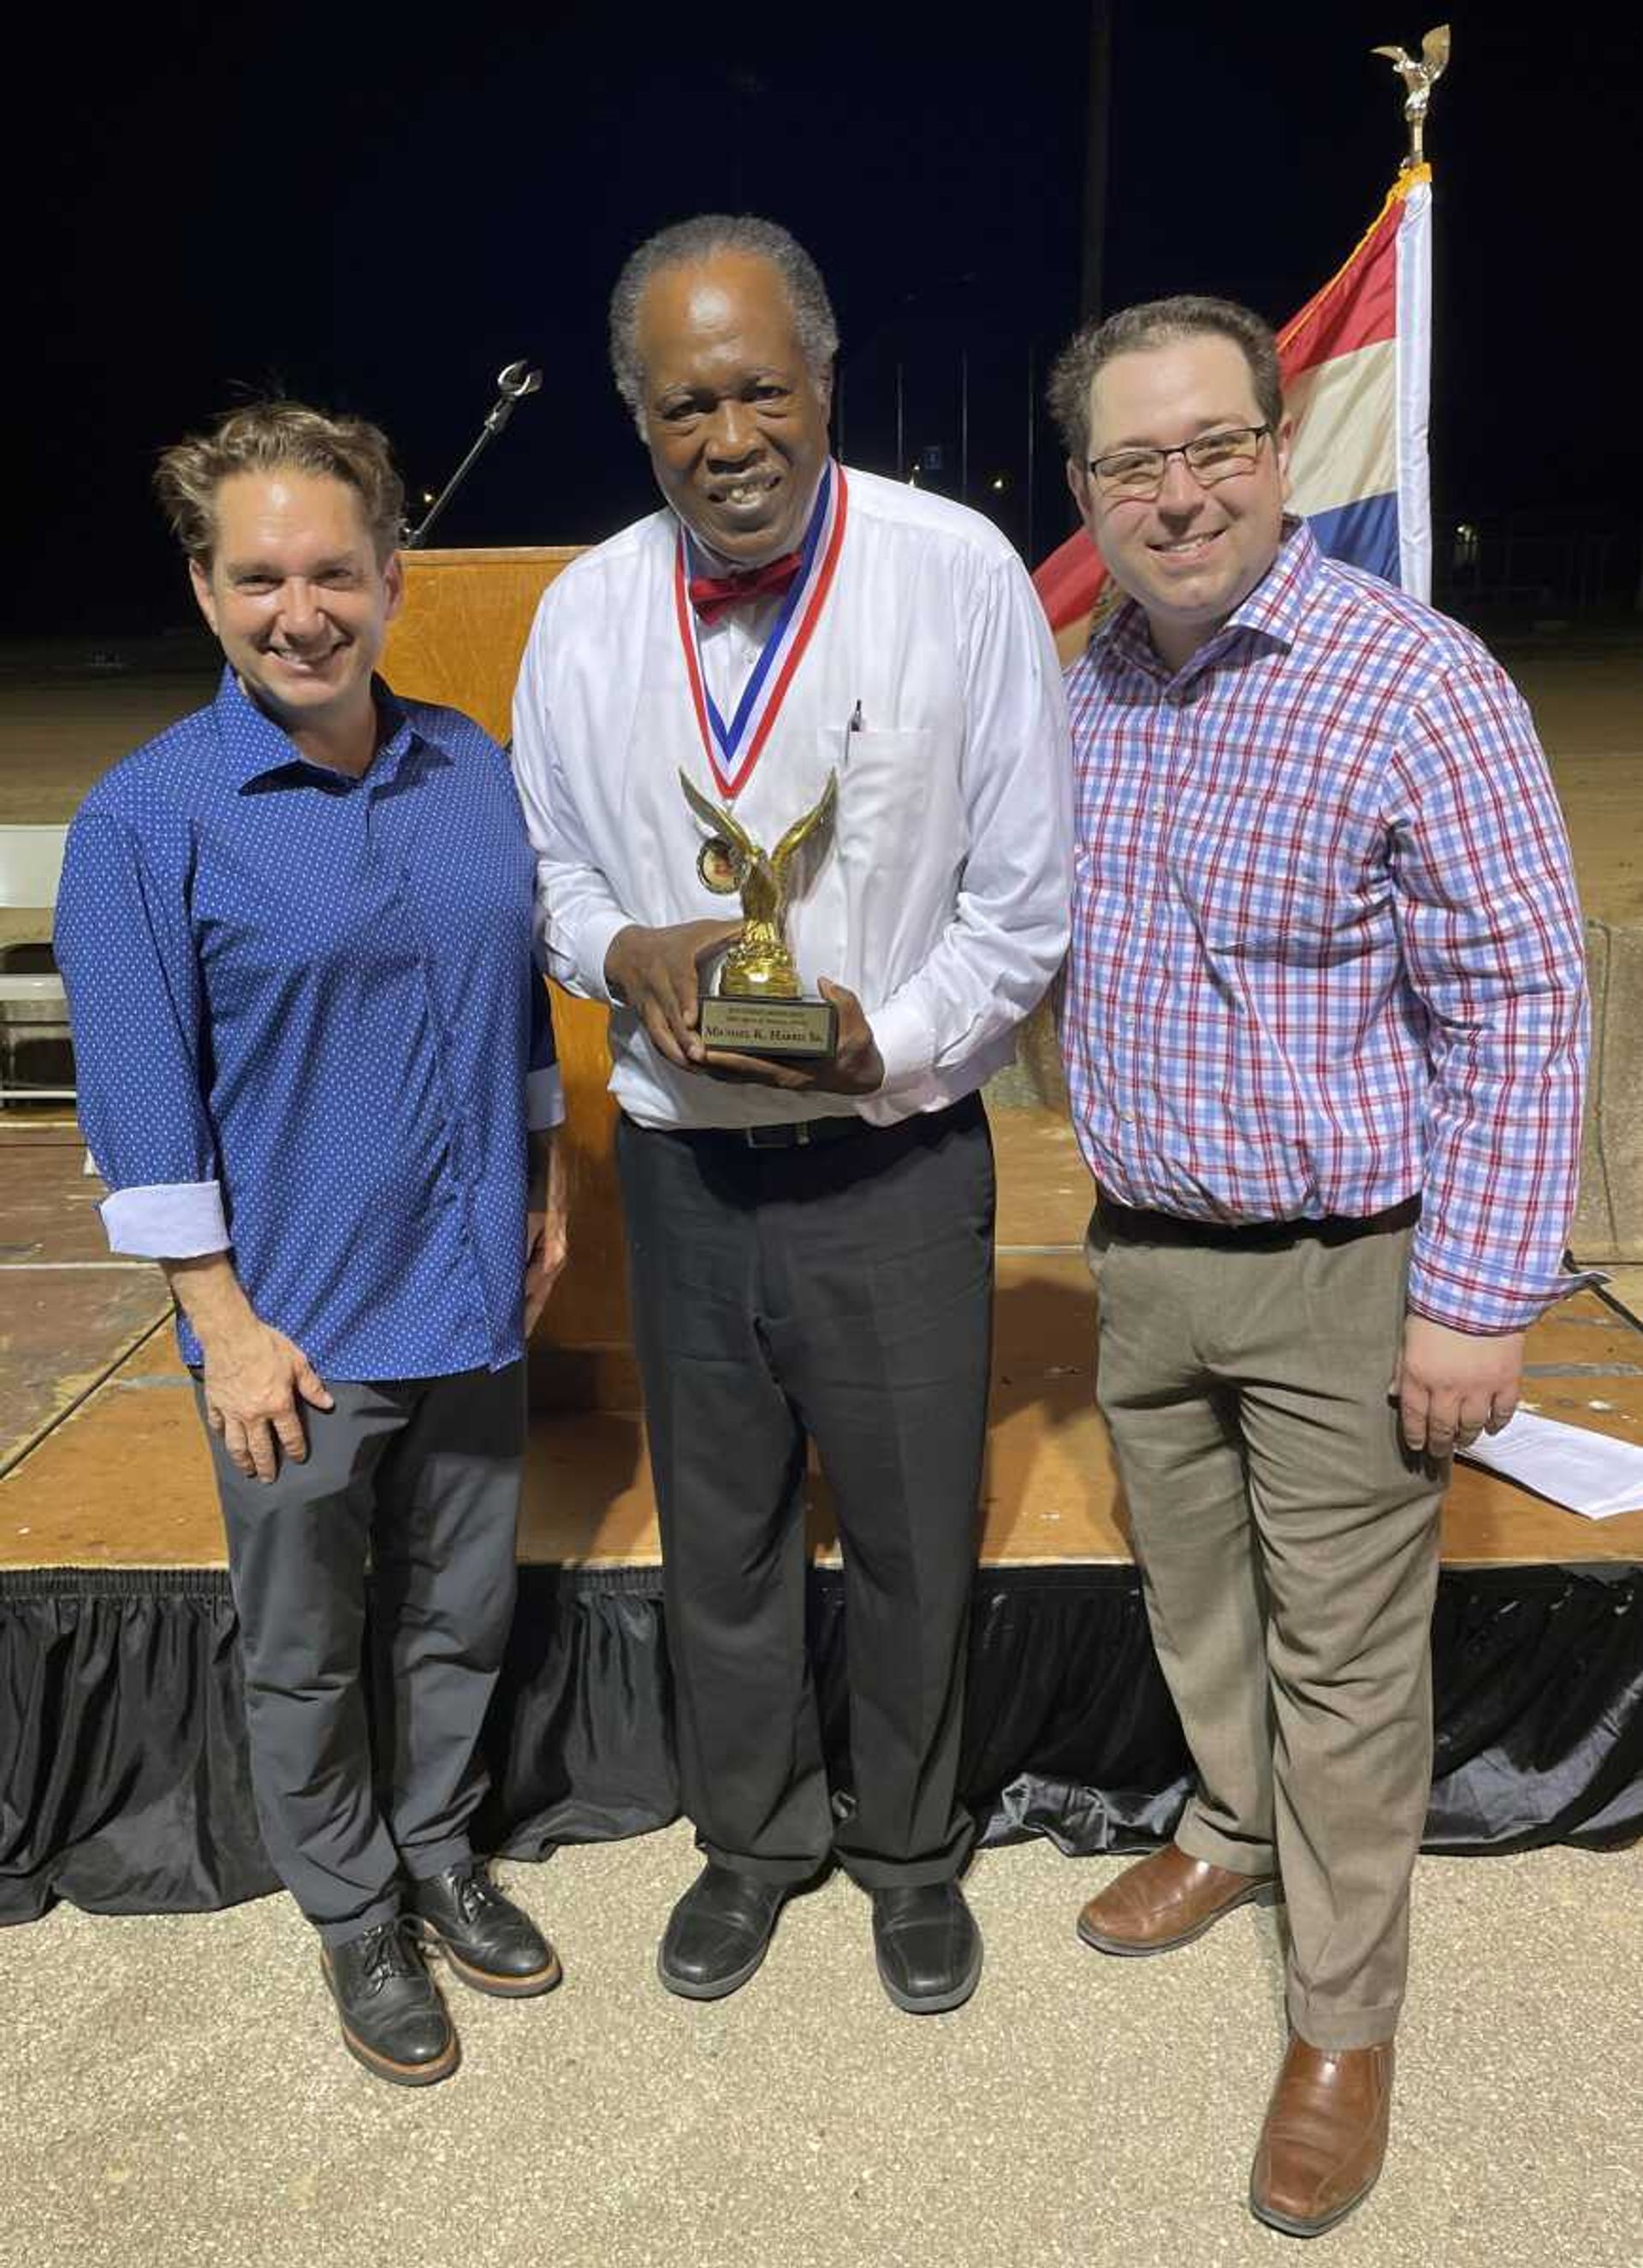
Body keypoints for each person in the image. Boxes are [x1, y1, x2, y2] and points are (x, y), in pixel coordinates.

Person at [1049, 295, 1588, 2235]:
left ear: (1281, 452)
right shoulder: (1084, 684)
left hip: (1352, 1270)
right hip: (1148, 1260)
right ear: (1087, 490)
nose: (1179, 492)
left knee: (1350, 1666)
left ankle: (1345, 2017)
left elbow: (1526, 1008)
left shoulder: (1415, 683)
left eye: (1214, 447)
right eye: (1135, 460)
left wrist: (1479, 1298)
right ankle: (1225, 1823)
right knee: (1198, 1601)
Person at [513, 215, 1071, 2014]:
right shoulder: (587, 608)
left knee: (913, 1533)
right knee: (724, 1530)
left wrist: (880, 1041)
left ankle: (911, 1851)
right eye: (688, 403)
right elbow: (546, 868)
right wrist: (627, 947)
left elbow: (1024, 903)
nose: (728, 436)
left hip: (896, 1161)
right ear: (639, 416)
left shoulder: (955, 569)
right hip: (679, 1170)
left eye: (761, 388)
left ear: (823, 383)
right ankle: (754, 1842)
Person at [55, 402, 568, 2087]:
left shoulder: (470, 764)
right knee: (303, 1643)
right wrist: (225, 1322)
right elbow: (140, 1096)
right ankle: (351, 1908)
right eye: (260, 576)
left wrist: (546, 1189)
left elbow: (508, 1017)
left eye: (333, 571)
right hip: (297, 1331)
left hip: (478, 1284)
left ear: (389, 576)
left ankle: (435, 1847)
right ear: (207, 593)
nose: (302, 609)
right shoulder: (148, 819)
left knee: (458, 1617)